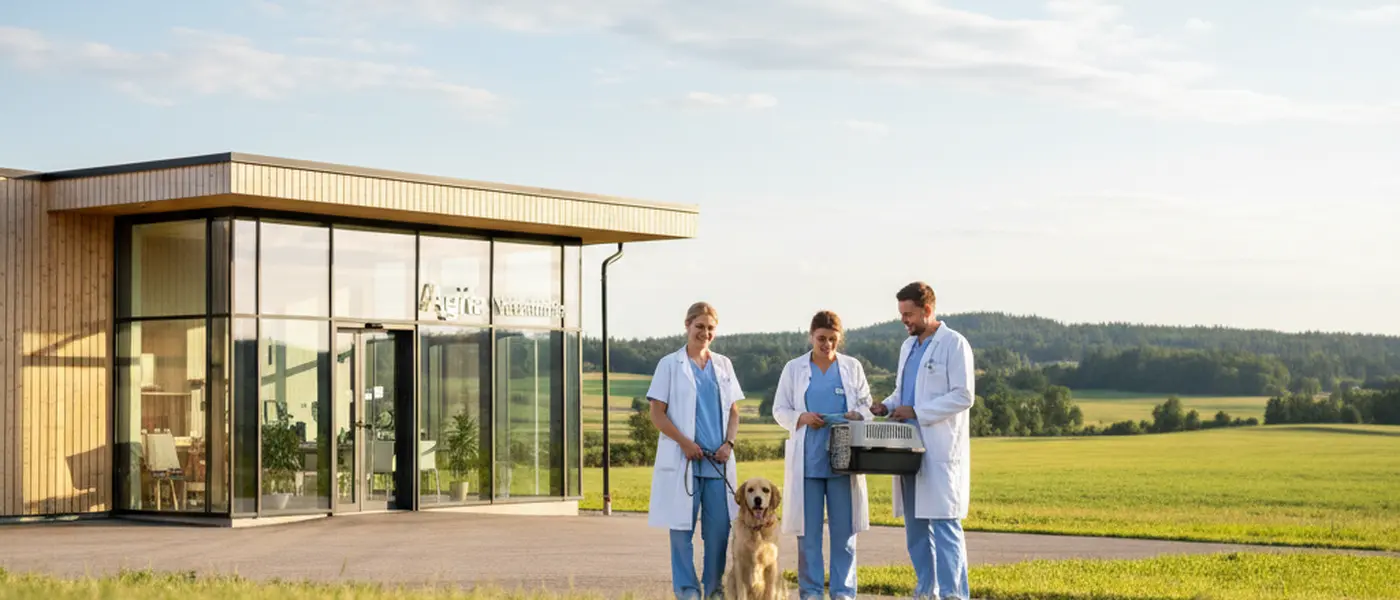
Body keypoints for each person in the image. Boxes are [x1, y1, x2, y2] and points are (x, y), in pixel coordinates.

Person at [869, 282, 975, 600]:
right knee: (915, 529)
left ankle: (954, 595)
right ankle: (925, 591)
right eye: (902, 314)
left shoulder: (954, 344)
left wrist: (917, 410)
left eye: (909, 314)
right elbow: (904, 392)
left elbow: (964, 395)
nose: (905, 320)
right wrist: (886, 406)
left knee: (944, 525)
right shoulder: (908, 348)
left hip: (939, 448)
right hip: (908, 449)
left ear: (927, 310)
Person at [773, 310, 876, 600]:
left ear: (839, 340)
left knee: (845, 535)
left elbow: (868, 405)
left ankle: (843, 593)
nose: (827, 344)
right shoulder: (794, 369)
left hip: (844, 461)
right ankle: (811, 593)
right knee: (809, 537)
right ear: (811, 336)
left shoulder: (852, 367)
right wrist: (802, 417)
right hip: (808, 461)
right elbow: (779, 410)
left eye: (832, 339)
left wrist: (858, 414)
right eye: (821, 339)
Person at [645, 301, 745, 600]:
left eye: (710, 328)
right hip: (684, 461)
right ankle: (688, 591)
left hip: (717, 464)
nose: (704, 332)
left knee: (718, 535)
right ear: (687, 326)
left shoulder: (724, 365)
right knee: (681, 532)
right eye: (699, 326)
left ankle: (714, 590)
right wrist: (684, 443)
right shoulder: (669, 364)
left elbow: (734, 411)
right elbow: (657, 413)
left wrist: (729, 443)